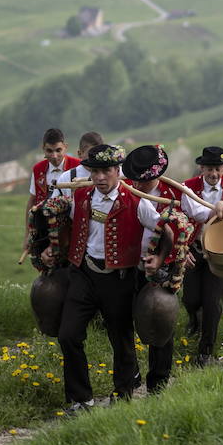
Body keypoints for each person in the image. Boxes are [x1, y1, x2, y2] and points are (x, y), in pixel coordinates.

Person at [45, 145, 162, 414]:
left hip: (119, 279)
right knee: (68, 334)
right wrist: (51, 246)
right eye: (95, 171)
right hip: (83, 274)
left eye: (105, 171)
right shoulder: (81, 196)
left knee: (120, 338)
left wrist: (157, 257)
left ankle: (123, 391)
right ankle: (81, 398)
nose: (99, 177)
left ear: (117, 171)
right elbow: (59, 222)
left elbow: (165, 227)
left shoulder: (137, 202)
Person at [121, 144, 187, 395]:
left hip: (164, 265)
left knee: (161, 320)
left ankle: (158, 382)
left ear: (156, 176)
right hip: (129, 265)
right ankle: (130, 374)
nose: (139, 184)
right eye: (136, 179)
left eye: (145, 180)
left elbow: (196, 216)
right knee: (123, 319)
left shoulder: (176, 192)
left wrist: (182, 250)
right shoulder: (126, 189)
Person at [181, 146, 223, 365]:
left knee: (212, 302)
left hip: (219, 252)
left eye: (218, 168)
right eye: (210, 168)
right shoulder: (187, 188)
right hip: (194, 249)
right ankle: (192, 318)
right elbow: (191, 215)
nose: (214, 174)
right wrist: (217, 207)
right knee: (190, 299)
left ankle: (205, 352)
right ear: (201, 168)